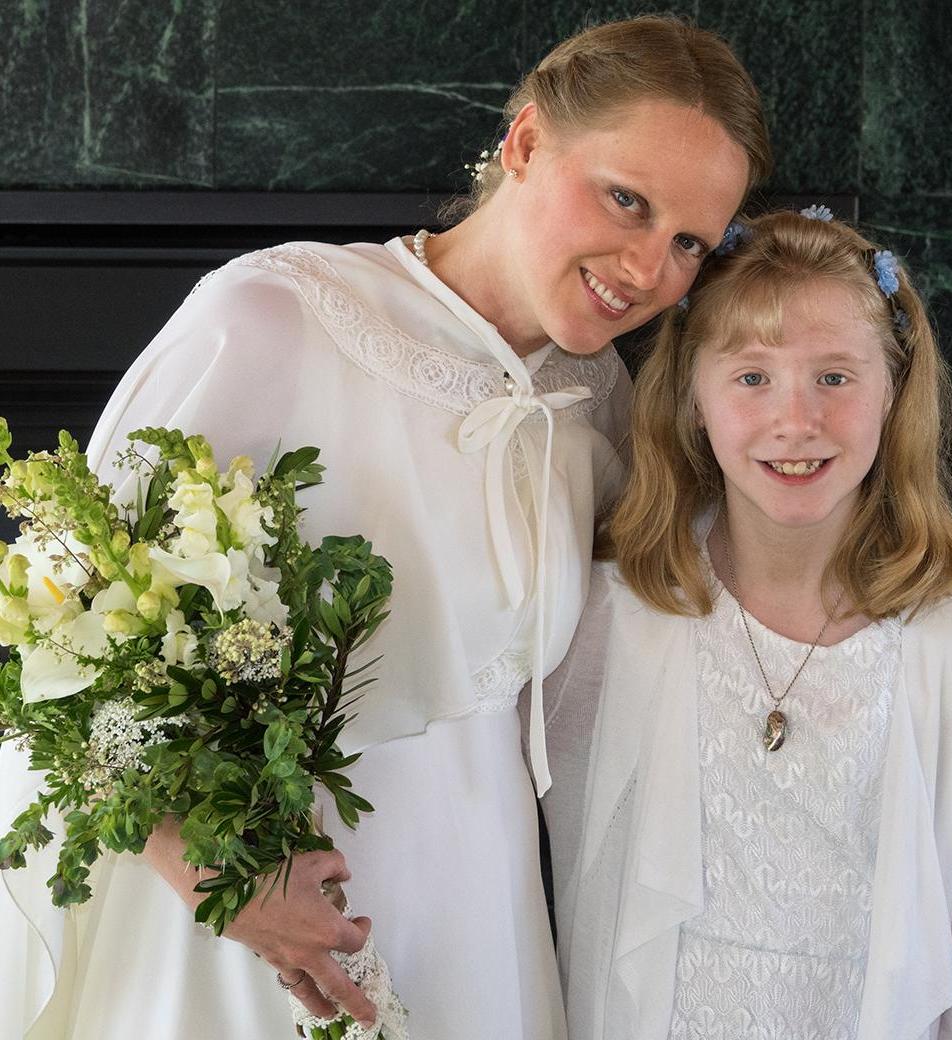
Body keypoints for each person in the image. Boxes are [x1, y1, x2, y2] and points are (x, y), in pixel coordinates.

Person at [0, 15, 771, 1040]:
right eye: (625, 199)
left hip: (477, 913)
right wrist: (225, 879)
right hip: (247, 909)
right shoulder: (271, 317)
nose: (645, 268)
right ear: (527, 143)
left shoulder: (597, 402)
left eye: (687, 243)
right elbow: (49, 642)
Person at [540, 209, 952, 1039]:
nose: (795, 421)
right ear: (693, 396)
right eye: (752, 377)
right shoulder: (607, 618)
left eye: (835, 378)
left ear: (892, 393)